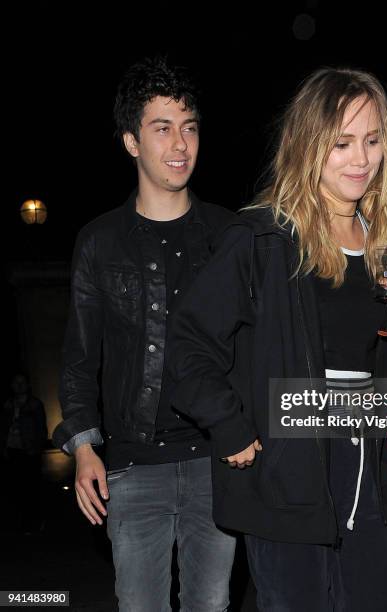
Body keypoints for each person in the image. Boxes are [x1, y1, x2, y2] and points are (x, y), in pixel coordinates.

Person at [169, 67, 387, 611]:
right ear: (308, 144)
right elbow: (189, 343)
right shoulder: (262, 237)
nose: (361, 159)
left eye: (373, 140)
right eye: (341, 143)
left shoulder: (385, 245)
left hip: (372, 477)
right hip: (290, 475)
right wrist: (230, 426)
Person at [52, 57, 237, 612]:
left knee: (212, 605)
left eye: (189, 126)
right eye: (162, 128)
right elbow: (80, 357)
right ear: (132, 142)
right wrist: (84, 447)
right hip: (132, 469)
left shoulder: (230, 235)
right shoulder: (99, 241)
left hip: (216, 465)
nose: (180, 143)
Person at [1, 373, 47, 534]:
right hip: (13, 451)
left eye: (22, 382)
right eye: (16, 382)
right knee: (16, 489)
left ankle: (35, 522)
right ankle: (20, 523)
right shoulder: (8, 405)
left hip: (29, 452)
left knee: (31, 488)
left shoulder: (34, 404)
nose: (19, 386)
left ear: (27, 385)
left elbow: (41, 429)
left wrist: (36, 449)